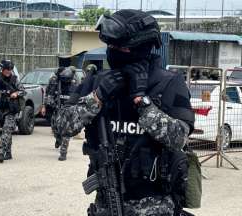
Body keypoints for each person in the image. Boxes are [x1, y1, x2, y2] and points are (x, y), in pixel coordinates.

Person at [55, 10, 195, 215]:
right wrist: (96, 98)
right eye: (110, 45)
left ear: (140, 46)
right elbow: (60, 126)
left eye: (119, 46)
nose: (112, 51)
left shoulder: (168, 83)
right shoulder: (97, 82)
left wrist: (142, 102)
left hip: (155, 205)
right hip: (106, 202)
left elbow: (179, 138)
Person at [0, 60, 25, 163]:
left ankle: (1, 152)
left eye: (10, 69)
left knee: (6, 129)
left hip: (12, 109)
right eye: (6, 69)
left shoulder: (14, 79)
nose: (8, 71)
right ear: (2, 69)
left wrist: (16, 94)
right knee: (7, 131)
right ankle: (8, 152)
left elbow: (23, 91)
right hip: (1, 108)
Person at [41, 67, 79, 161]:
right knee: (55, 129)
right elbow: (49, 95)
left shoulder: (74, 84)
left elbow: (79, 97)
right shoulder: (56, 83)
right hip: (57, 110)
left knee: (66, 132)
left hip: (69, 111)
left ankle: (63, 153)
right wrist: (48, 105)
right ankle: (58, 139)